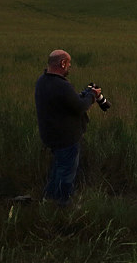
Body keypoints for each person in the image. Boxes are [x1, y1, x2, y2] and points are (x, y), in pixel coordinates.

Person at [34, 50, 102, 205]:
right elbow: (80, 107)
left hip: (51, 136)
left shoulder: (42, 81)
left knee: (57, 170)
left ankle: (48, 201)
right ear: (62, 63)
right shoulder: (61, 85)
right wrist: (92, 96)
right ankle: (62, 206)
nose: (69, 67)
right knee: (66, 175)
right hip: (66, 138)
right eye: (69, 63)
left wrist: (83, 95)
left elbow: (65, 103)